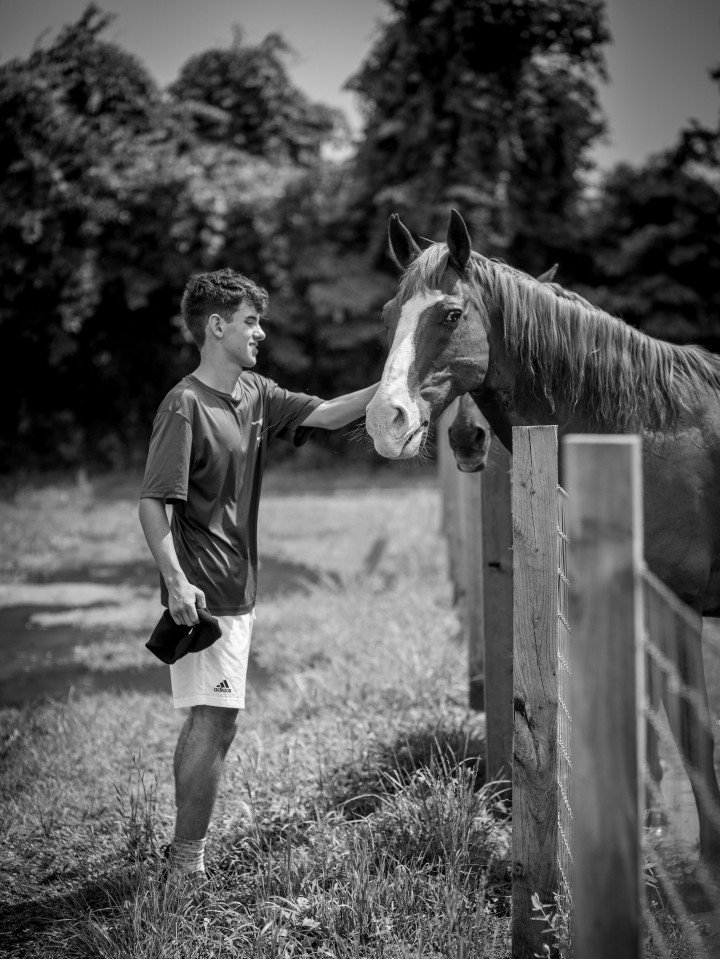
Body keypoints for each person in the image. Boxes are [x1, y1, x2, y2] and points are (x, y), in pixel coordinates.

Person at [138, 268, 378, 879]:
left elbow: (327, 413)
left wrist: (401, 381)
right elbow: (153, 502)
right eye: (249, 322)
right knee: (214, 718)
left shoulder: (257, 393)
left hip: (239, 587)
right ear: (216, 327)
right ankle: (185, 863)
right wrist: (175, 581)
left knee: (219, 718)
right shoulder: (183, 404)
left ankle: (184, 854)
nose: (260, 333)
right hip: (204, 592)